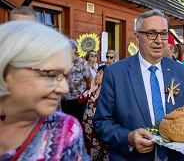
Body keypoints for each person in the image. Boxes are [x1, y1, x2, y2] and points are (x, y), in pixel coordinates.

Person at [94, 9, 184, 161]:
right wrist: (128, 137)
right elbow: (101, 123)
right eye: (151, 33)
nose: (159, 40)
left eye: (164, 33)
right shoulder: (115, 73)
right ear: (137, 37)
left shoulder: (179, 70)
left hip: (174, 157)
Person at [0, 20, 89, 160]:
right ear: (6, 72)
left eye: (65, 76)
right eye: (52, 75)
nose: (64, 89)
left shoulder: (64, 130)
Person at [80, 66, 108, 161]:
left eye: (100, 73)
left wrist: (93, 99)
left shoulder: (108, 90)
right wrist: (91, 90)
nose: (97, 75)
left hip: (99, 124)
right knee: (87, 146)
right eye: (97, 72)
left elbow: (102, 106)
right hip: (87, 123)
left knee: (100, 148)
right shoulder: (92, 87)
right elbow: (80, 99)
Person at [61, 40, 92, 123]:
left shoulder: (81, 63)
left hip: (78, 100)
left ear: (74, 50)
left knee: (78, 123)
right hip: (64, 99)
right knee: (66, 123)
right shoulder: (61, 62)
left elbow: (89, 80)